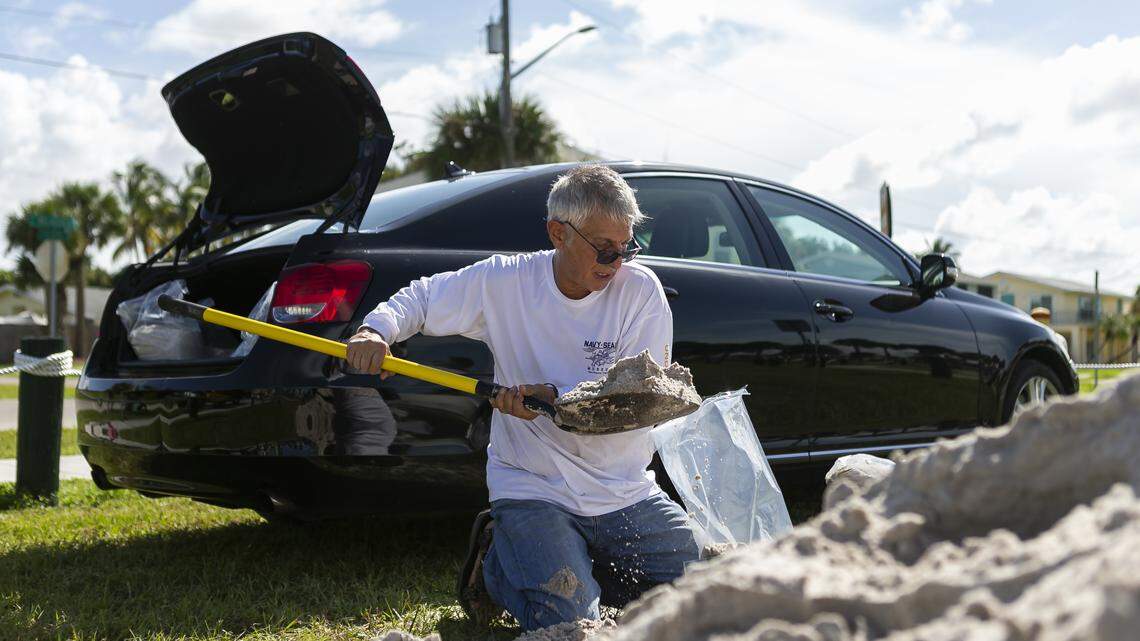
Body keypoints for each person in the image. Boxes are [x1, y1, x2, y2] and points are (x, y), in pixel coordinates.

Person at [345, 165, 699, 631]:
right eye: (604, 248)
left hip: (623, 489)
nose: (616, 263)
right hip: (534, 486)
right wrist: (376, 330)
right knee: (569, 620)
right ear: (558, 233)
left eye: (625, 248)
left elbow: (636, 399)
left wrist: (553, 397)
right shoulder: (505, 281)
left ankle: (556, 562)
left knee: (700, 590)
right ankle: (499, 567)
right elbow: (423, 298)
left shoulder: (640, 292)